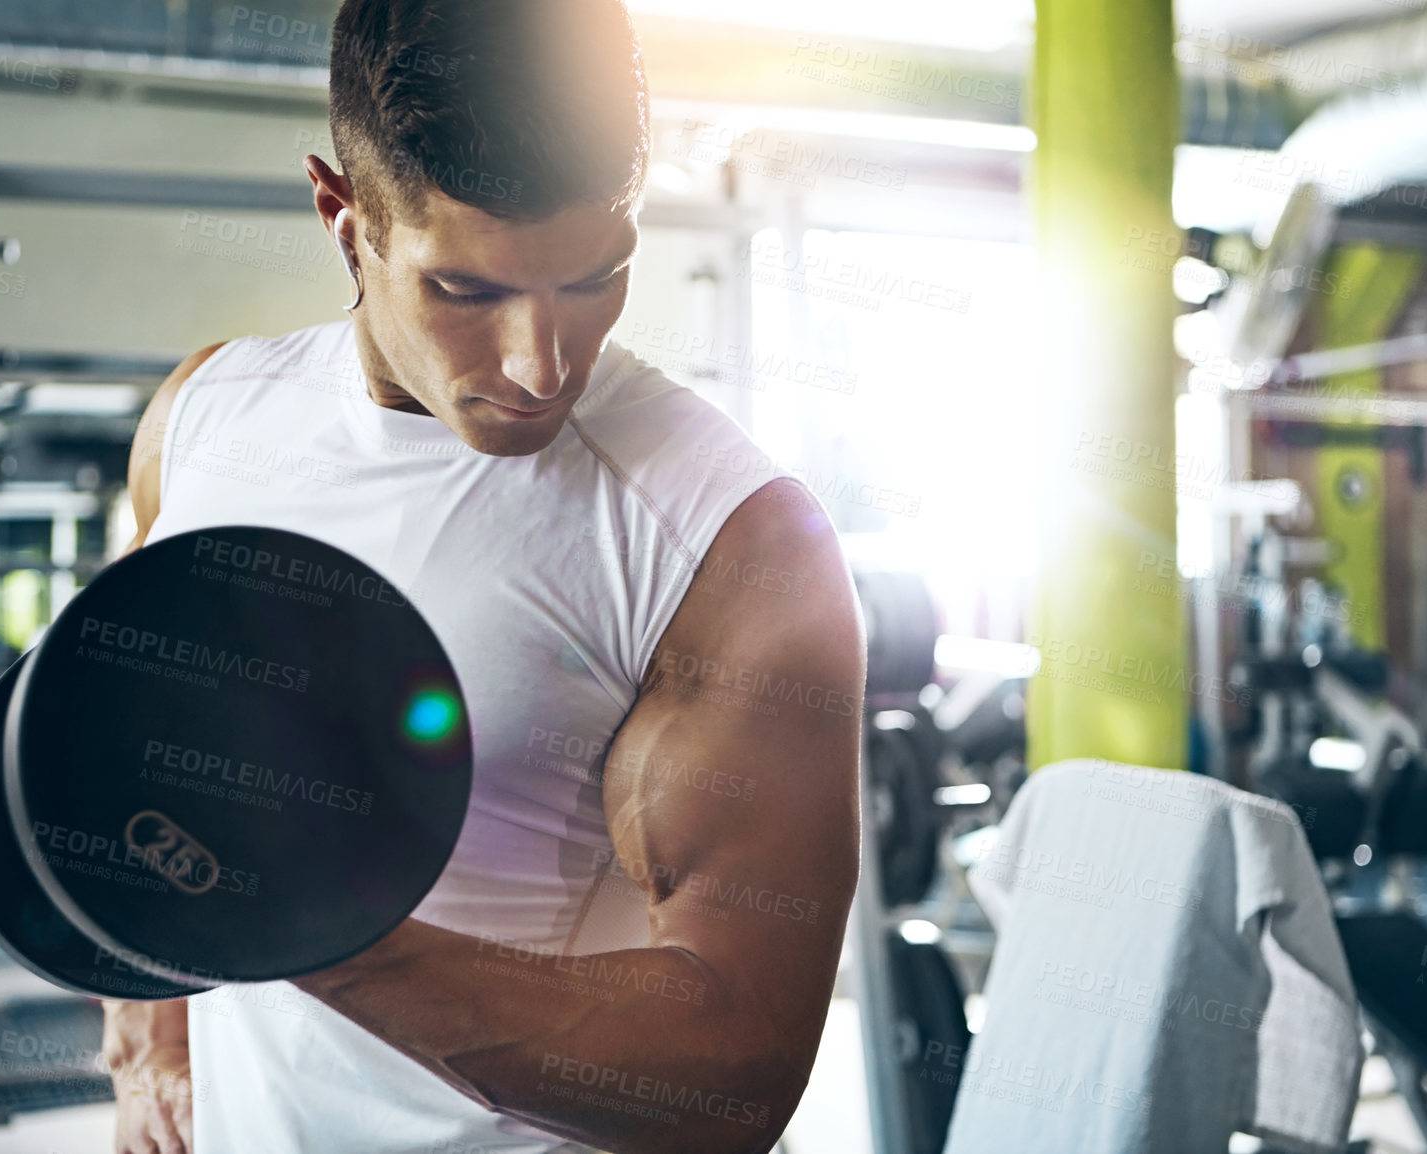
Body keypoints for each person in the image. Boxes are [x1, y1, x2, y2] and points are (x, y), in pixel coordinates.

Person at [101, 1, 864, 1150]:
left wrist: (302, 922)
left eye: (596, 277)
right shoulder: (203, 419)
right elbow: (131, 736)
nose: (540, 363)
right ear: (340, 216)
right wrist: (153, 1029)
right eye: (468, 290)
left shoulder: (735, 544)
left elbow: (736, 1068)